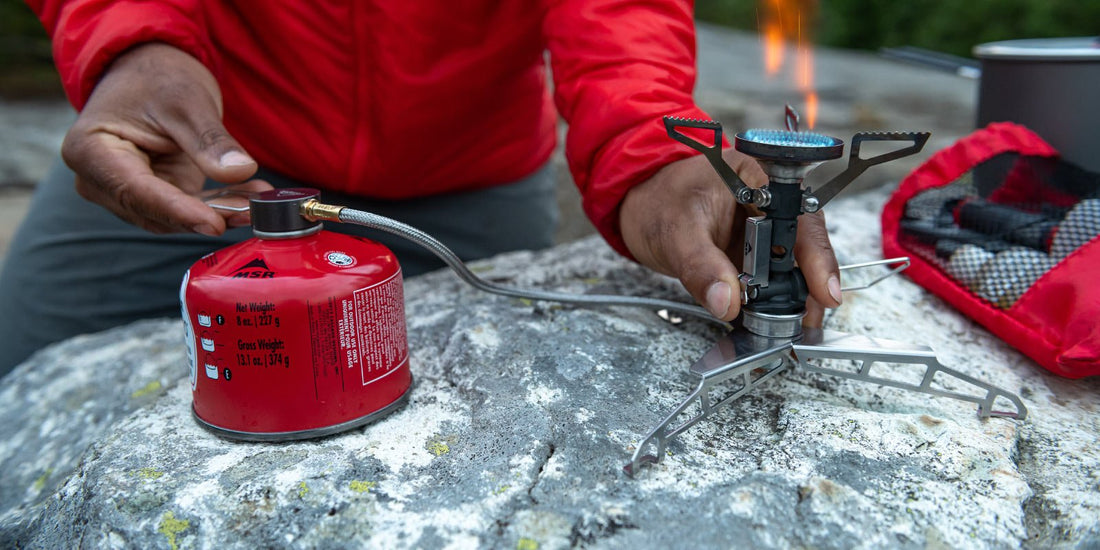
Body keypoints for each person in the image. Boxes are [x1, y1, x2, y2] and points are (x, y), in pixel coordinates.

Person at [0, 1, 842, 376]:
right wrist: (136, 48)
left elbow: (617, 18)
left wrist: (647, 149)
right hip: (208, 159)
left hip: (468, 176)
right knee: (19, 391)